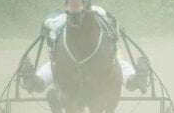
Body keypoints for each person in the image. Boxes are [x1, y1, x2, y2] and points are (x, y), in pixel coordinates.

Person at [18, 6, 150, 94]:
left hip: (107, 60)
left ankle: (137, 79)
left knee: (120, 67)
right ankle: (33, 80)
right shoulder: (61, 17)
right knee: (52, 70)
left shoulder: (97, 12)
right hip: (64, 64)